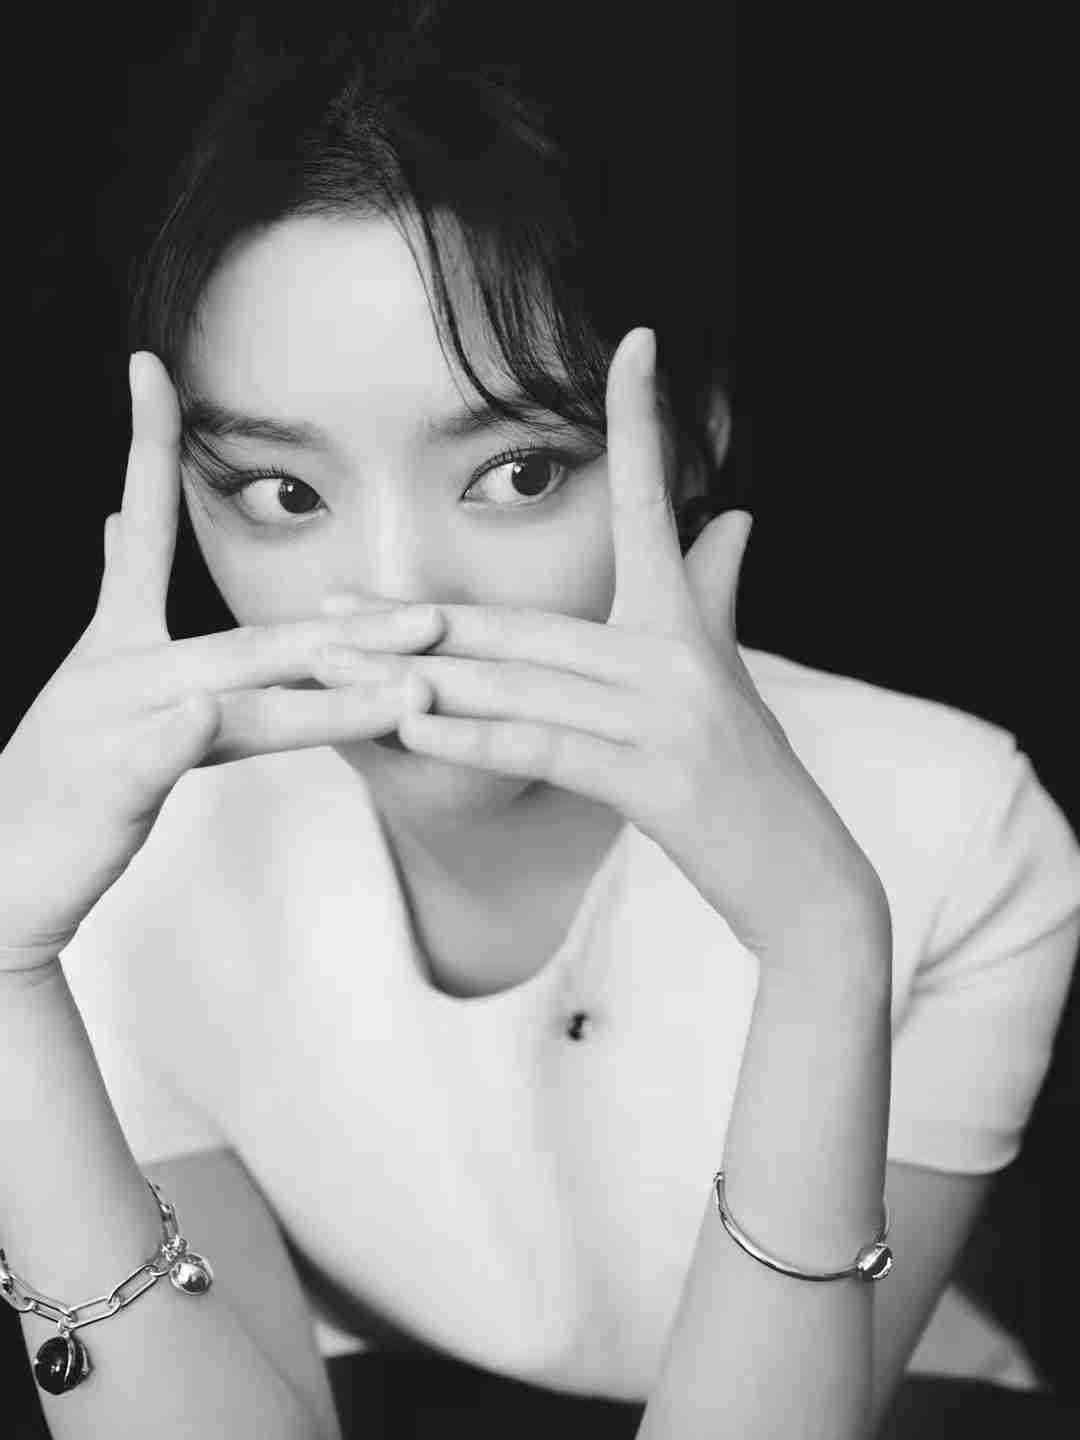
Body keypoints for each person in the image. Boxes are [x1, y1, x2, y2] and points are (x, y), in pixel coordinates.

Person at [2, 4, 1078, 1437]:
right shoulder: (119, 854)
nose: (398, 605)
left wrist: (824, 943)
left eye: (516, 473)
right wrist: (5, 966)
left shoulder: (960, 829)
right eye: (281, 491)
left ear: (692, 433)